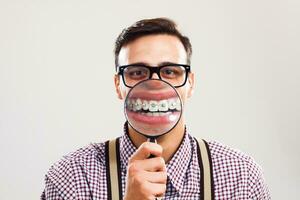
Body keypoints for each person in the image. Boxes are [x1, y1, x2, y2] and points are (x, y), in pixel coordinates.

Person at [41, 18, 270, 200]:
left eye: (170, 71)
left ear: (190, 83)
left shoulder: (242, 177)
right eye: (137, 72)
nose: (155, 83)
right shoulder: (71, 177)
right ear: (118, 85)